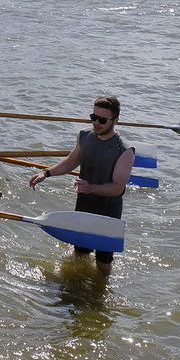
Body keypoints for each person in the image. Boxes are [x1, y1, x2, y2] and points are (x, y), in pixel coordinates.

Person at [28, 95, 134, 275]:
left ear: (115, 121)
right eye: (93, 117)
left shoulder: (124, 150)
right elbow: (71, 162)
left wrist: (92, 188)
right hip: (84, 206)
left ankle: (101, 294)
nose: (96, 123)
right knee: (80, 254)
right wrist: (46, 173)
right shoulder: (85, 137)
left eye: (102, 119)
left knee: (103, 264)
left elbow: (118, 187)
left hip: (108, 213)